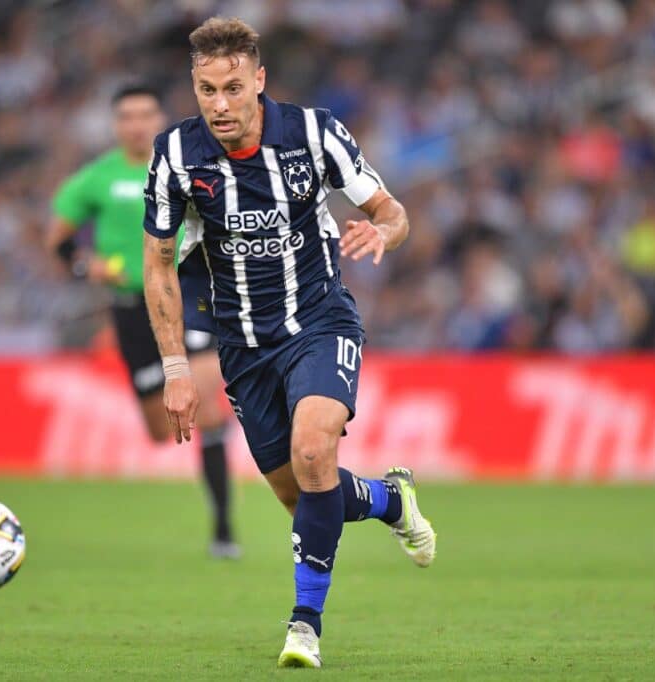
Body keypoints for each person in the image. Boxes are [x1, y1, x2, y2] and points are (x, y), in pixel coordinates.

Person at [141, 18, 436, 667]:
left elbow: (392, 209)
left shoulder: (314, 133)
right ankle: (391, 499)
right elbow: (158, 264)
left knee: (312, 451)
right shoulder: (176, 156)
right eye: (206, 89)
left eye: (232, 88)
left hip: (321, 322)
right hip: (243, 348)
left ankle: (305, 624)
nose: (219, 104)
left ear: (259, 82)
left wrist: (383, 231)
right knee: (302, 495)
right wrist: (176, 368)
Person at [47, 84, 240, 559]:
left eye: (145, 113)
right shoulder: (96, 178)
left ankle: (223, 529)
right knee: (162, 430)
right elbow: (59, 238)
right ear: (116, 126)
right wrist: (82, 264)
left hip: (188, 296)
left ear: (161, 118)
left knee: (206, 409)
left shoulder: (191, 163)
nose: (137, 124)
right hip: (133, 310)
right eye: (127, 116)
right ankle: (222, 417)